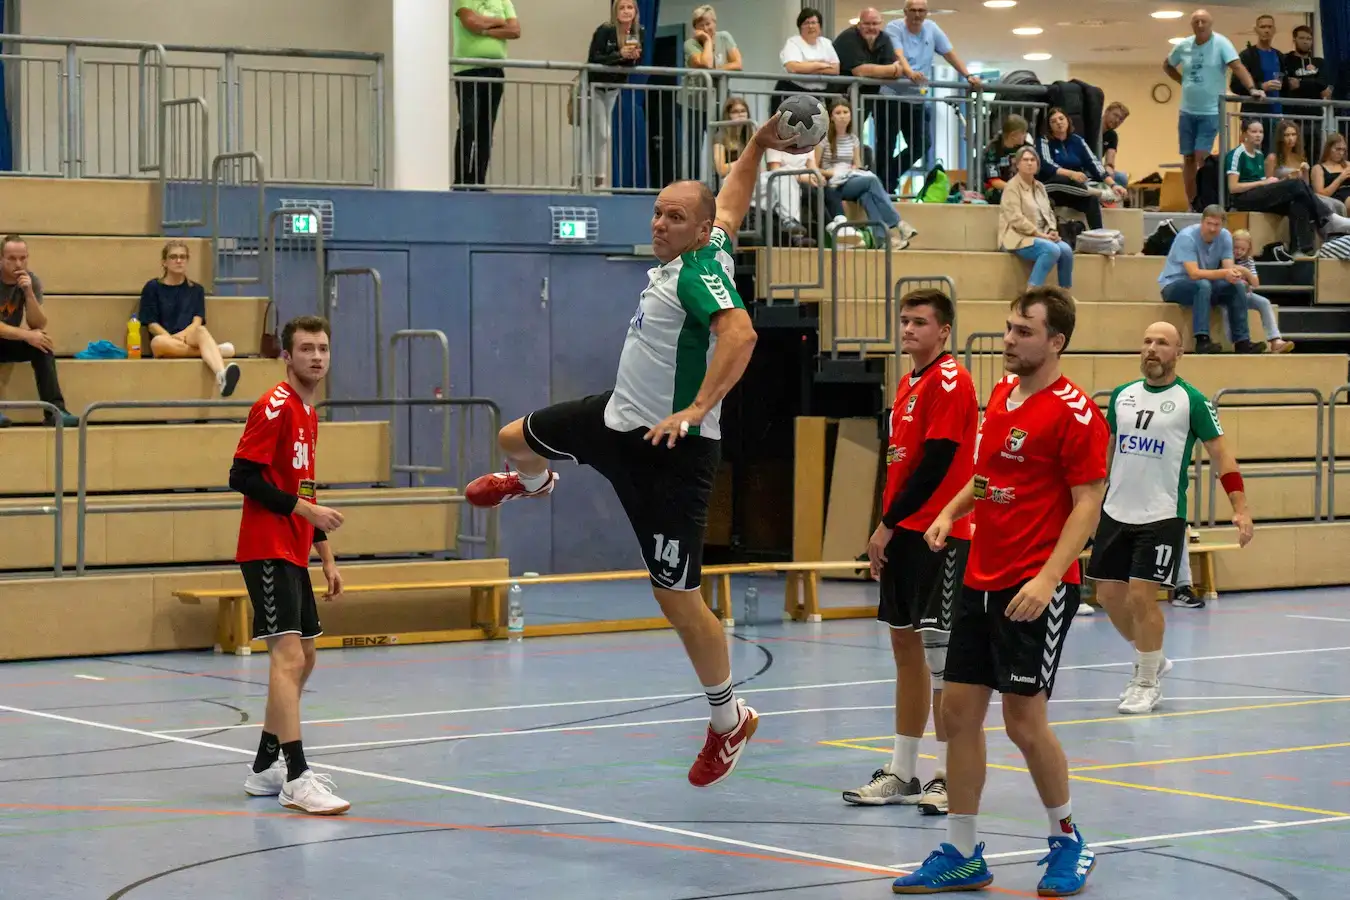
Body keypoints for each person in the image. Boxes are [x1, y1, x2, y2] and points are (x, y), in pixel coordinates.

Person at [463, 115, 800, 788]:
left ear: (696, 232)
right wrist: (759, 145)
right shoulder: (709, 244)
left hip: (670, 453)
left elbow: (741, 336)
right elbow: (732, 202)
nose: (660, 224)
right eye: (657, 212)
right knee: (512, 439)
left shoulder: (698, 276)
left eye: (674, 218)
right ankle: (533, 483)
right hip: (615, 419)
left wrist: (696, 409)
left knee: (677, 598)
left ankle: (729, 720)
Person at [893, 286, 1108, 896]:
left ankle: (1068, 839)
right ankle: (963, 853)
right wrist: (950, 510)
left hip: (1034, 585)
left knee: (1023, 721)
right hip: (979, 577)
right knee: (957, 714)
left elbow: (1088, 504)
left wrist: (1047, 578)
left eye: (1024, 331)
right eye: (1009, 328)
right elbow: (988, 476)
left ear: (1056, 341)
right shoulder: (1003, 394)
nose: (1010, 340)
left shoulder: (1077, 413)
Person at [842, 288, 977, 816]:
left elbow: (937, 463)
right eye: (904, 320)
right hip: (904, 532)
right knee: (905, 651)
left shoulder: (951, 380)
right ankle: (902, 771)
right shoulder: (907, 383)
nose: (908, 329)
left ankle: (946, 776)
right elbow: (901, 464)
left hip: (939, 535)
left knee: (942, 659)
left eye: (920, 321)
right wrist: (890, 527)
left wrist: (887, 525)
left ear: (944, 330)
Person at [1088, 322, 1254, 715]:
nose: (1152, 348)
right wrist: (1092, 498)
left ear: (1179, 352)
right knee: (1107, 595)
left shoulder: (1191, 401)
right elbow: (1108, 450)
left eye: (1162, 343)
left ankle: (1146, 681)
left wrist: (1240, 507)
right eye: (1147, 341)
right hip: (1116, 509)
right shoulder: (1122, 396)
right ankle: (1153, 657)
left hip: (1161, 513)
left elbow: (1222, 455)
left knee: (1141, 596)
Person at [229, 315, 349, 815]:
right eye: (306, 349)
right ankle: (297, 777)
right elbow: (242, 476)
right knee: (289, 657)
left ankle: (264, 767)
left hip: (294, 548)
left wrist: (326, 554)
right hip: (266, 546)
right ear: (287, 356)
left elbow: (303, 487)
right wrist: (305, 511)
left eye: (323, 348)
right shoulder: (274, 405)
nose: (316, 357)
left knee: (308, 656)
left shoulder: (308, 413)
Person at [879, 0, 981, 195]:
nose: (917, 15)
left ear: (927, 13)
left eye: (922, 11)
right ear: (905, 12)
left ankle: (886, 178)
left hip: (916, 98)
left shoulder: (932, 28)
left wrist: (968, 75)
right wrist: (909, 72)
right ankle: (885, 186)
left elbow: (949, 54)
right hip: (891, 97)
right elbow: (899, 55)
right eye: (913, 10)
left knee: (922, 144)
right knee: (886, 145)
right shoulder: (894, 27)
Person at [1164, 9, 1263, 208]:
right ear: (1192, 25)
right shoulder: (1184, 45)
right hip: (1187, 111)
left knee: (1202, 156)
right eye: (1196, 22)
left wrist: (1252, 88)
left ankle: (1205, 200)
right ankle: (1192, 202)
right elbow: (1167, 65)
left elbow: (1237, 67)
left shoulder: (1221, 43)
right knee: (1188, 158)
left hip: (1210, 111)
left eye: (1204, 21)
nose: (1200, 25)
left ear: (1211, 24)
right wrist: (1182, 81)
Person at [138, 240, 242, 396]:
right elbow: (152, 324)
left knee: (201, 330)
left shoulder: (196, 290)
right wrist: (171, 338)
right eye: (173, 257)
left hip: (189, 337)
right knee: (157, 342)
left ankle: (221, 375)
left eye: (183, 257)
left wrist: (181, 337)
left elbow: (197, 322)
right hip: (165, 340)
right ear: (164, 262)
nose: (179, 260)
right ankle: (215, 350)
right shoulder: (152, 287)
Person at [1157, 205, 1260, 354]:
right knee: (1202, 285)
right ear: (1202, 222)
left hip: (1206, 284)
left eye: (1216, 225)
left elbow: (1228, 267)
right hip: (1174, 284)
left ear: (1222, 225)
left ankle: (1242, 341)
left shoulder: (1225, 236)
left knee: (1236, 286)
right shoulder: (1187, 237)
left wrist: (1235, 276)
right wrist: (1225, 273)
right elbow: (1194, 274)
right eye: (1209, 224)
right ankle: (1202, 340)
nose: (1212, 229)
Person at [816, 98, 917, 250]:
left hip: (850, 179)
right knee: (871, 181)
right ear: (831, 117)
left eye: (845, 112)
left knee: (867, 195)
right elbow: (814, 168)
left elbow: (858, 164)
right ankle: (898, 223)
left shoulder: (853, 139)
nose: (842, 116)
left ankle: (882, 240)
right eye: (838, 113)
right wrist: (833, 172)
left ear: (850, 115)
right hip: (833, 183)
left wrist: (857, 169)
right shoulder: (823, 140)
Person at [0, 235, 77, 427]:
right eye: (12, 258)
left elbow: (38, 323)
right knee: (32, 337)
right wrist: (27, 335)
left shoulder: (30, 280)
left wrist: (28, 293)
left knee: (42, 344)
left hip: (7, 339)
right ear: (1, 259)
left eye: (23, 258)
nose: (18, 264)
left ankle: (55, 411)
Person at [452, 0, 521, 187]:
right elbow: (470, 22)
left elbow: (515, 30)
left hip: (495, 70)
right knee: (468, 124)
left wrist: (484, 29)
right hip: (468, 70)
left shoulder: (504, 1)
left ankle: (478, 181)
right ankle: (461, 181)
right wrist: (499, 22)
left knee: (485, 128)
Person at [586, 0, 644, 190]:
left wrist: (633, 58)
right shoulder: (606, 30)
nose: (626, 11)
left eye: (630, 7)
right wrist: (620, 54)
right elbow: (595, 58)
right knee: (602, 132)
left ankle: (598, 180)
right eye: (622, 7)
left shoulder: (637, 32)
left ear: (635, 11)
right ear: (615, 11)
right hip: (594, 86)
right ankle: (594, 179)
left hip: (614, 87)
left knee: (602, 134)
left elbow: (635, 63)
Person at [1036, 107, 1122, 230]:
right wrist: (1071, 174)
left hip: (1075, 190)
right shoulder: (1043, 141)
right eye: (1053, 121)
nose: (1058, 123)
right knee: (1062, 179)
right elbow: (1047, 164)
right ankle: (1100, 193)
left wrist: (1113, 185)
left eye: (1061, 119)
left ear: (1067, 120)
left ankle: (1099, 234)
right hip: (1052, 189)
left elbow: (1094, 163)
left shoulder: (1077, 140)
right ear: (1049, 126)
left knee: (1092, 200)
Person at [1000, 146, 1073, 290]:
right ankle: (1031, 292)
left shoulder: (1040, 187)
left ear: (1038, 164)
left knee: (1066, 251)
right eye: (1025, 160)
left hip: (1042, 235)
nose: (1029, 163)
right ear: (1017, 164)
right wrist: (1040, 235)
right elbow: (1016, 219)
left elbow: (1049, 213)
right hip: (1018, 236)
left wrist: (1052, 230)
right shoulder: (1011, 187)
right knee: (1051, 250)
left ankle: (1064, 294)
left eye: (1033, 160)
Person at [1231, 228, 1293, 352]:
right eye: (1236, 248)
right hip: (1230, 295)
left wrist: (1245, 271)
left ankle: (1275, 340)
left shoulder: (1248, 261)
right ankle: (1239, 342)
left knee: (1264, 302)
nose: (1238, 252)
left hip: (1246, 294)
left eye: (1242, 249)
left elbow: (1255, 283)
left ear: (1248, 249)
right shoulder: (1226, 258)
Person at [981, 114, 1033, 204]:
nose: (1026, 135)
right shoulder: (993, 149)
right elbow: (994, 181)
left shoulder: (1027, 148)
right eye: (1023, 133)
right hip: (999, 188)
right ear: (1013, 135)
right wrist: (1016, 189)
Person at [1100, 101, 1130, 189]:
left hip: (1097, 168)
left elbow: (1110, 160)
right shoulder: (1090, 126)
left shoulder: (1112, 135)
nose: (1117, 121)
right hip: (1082, 166)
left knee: (1122, 178)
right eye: (1115, 115)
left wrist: (1109, 168)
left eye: (1121, 119)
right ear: (1107, 111)